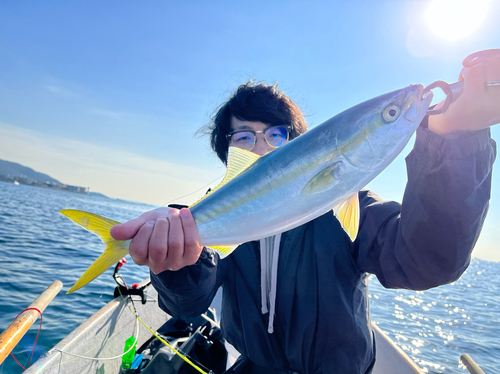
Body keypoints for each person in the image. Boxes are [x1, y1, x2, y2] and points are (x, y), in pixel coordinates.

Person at [110, 50, 499, 374]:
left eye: (276, 133)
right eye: (244, 136)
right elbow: (187, 304)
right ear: (229, 153)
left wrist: (456, 139)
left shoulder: (351, 206)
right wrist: (173, 264)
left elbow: (426, 262)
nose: (261, 145)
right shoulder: (213, 218)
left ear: (303, 145)